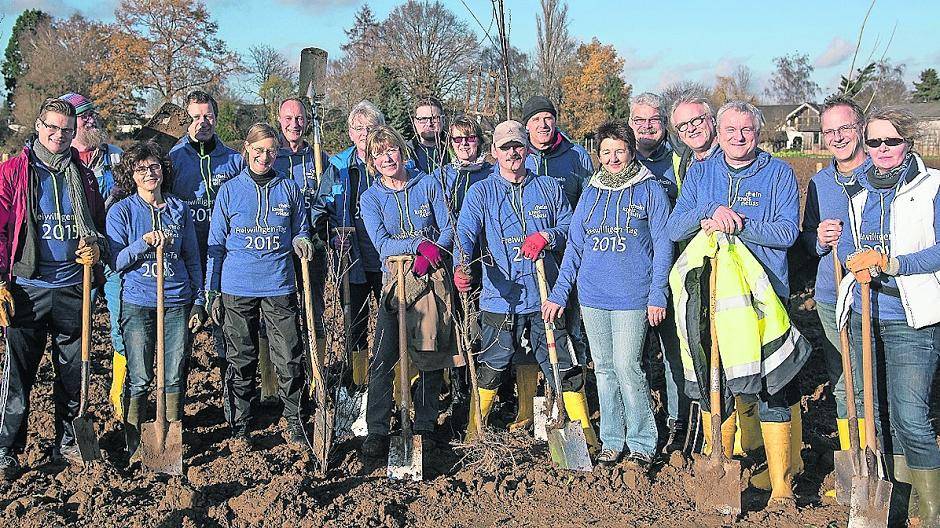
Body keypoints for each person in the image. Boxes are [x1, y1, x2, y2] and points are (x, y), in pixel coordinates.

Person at [666, 100, 805, 504]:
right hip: (714, 297)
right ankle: (723, 463)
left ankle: (782, 483)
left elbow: (785, 234)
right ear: (718, 132)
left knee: (773, 384)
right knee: (718, 381)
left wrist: (739, 224)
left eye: (746, 131)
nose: (738, 138)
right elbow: (676, 225)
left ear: (758, 133)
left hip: (765, 295)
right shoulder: (701, 172)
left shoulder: (778, 173)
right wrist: (710, 210)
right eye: (730, 131)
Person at [454, 120, 597, 449]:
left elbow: (569, 229)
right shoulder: (482, 192)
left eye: (518, 145)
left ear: (528, 148)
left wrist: (547, 236)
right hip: (500, 298)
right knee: (492, 365)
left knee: (562, 364)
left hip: (546, 298)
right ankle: (476, 432)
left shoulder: (548, 187)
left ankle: (583, 433)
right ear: (494, 153)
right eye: (505, 147)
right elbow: (465, 235)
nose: (513, 152)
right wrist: (462, 266)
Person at [542, 121, 672, 467]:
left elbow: (663, 247)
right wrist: (559, 293)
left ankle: (642, 441)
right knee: (603, 368)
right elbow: (575, 247)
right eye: (606, 152)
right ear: (597, 155)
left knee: (629, 366)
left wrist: (658, 293)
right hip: (592, 295)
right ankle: (612, 440)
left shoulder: (650, 191)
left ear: (631, 151)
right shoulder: (592, 191)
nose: (613, 158)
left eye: (620, 151)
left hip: (633, 295)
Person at [839, 107, 940, 526]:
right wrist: (852, 260)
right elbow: (848, 245)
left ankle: (931, 511)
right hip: (866, 314)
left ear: (908, 143)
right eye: (874, 142)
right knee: (878, 416)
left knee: (911, 417)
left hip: (912, 318)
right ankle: (896, 506)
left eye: (891, 141)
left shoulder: (932, 186)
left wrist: (894, 264)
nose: (882, 149)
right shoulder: (858, 193)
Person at [0, 98, 106, 478]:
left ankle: (68, 440)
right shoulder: (15, 172)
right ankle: (6, 448)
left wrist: (95, 246)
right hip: (27, 288)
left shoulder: (84, 175)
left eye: (66, 129)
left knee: (73, 372)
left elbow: (98, 227)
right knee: (18, 374)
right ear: (39, 125)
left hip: (73, 288)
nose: (59, 135)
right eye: (52, 127)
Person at [205, 123, 314, 449]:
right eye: (258, 150)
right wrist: (211, 290)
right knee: (241, 359)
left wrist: (302, 239)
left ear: (277, 153)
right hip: (237, 287)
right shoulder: (230, 191)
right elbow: (216, 244)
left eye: (271, 151)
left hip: (279, 284)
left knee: (289, 357)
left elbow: (300, 227)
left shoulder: (289, 188)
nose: (264, 157)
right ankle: (239, 426)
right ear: (246, 151)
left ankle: (295, 420)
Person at [357, 126, 455, 457]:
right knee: (384, 357)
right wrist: (418, 244)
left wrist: (435, 252)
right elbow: (383, 244)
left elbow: (447, 230)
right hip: (396, 284)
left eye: (391, 151)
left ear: (401, 151)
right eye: (378, 154)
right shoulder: (370, 199)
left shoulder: (427, 184)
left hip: (430, 282)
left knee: (429, 354)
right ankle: (378, 428)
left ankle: (424, 425)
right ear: (371, 161)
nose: (386, 158)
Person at [106, 141, 204, 458]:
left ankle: (167, 442)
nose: (150, 173)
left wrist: (198, 299)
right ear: (131, 175)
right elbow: (115, 261)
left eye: (155, 167)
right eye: (142, 169)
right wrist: (142, 244)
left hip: (175, 300)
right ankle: (134, 445)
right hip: (138, 301)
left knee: (173, 371)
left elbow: (192, 258)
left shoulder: (179, 209)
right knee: (140, 375)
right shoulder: (121, 212)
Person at [799, 95, 870, 462]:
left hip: (879, 296)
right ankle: (853, 460)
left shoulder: (882, 174)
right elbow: (807, 240)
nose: (838, 137)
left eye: (844, 128)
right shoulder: (821, 182)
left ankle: (884, 458)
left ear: (860, 128)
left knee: (878, 383)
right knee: (844, 383)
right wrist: (819, 239)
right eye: (830, 131)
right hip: (831, 297)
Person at [522, 95, 594, 428]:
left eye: (547, 118)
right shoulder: (521, 158)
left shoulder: (577, 157)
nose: (542, 125)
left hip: (571, 258)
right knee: (538, 334)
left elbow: (590, 205)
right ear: (526, 126)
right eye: (535, 120)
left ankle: (573, 401)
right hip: (532, 266)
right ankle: (544, 401)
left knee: (569, 332)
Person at [59, 92, 128, 420]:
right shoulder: (63, 163)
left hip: (114, 259)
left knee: (121, 325)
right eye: (83, 115)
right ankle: (74, 398)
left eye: (91, 113)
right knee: (76, 329)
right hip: (79, 261)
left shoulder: (117, 158)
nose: (91, 119)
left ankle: (120, 395)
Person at [630, 92, 689, 451]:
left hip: (673, 272)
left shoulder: (680, 163)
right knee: (633, 354)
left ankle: (677, 420)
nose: (646, 127)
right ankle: (641, 420)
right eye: (639, 121)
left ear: (664, 123)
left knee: (673, 351)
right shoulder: (619, 160)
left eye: (653, 120)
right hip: (632, 274)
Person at [169, 90, 243, 368]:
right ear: (186, 121)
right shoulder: (172, 160)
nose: (203, 122)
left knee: (227, 326)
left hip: (226, 257)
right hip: (186, 256)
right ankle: (177, 395)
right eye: (196, 117)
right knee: (183, 331)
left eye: (208, 116)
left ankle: (231, 393)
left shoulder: (234, 161)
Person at [315, 100, 386, 390]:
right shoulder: (338, 167)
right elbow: (321, 208)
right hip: (352, 258)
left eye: (371, 128)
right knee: (354, 322)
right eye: (359, 128)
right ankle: (359, 382)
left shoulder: (390, 162)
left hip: (387, 259)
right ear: (350, 132)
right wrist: (331, 234)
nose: (365, 134)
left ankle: (390, 380)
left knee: (393, 321)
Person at [272, 97, 329, 399]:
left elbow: (328, 197)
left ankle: (317, 374)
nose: (294, 124)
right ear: (279, 119)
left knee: (314, 308)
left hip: (313, 246)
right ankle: (276, 381)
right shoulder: (271, 155)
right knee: (279, 311)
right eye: (288, 118)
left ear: (307, 121)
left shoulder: (318, 156)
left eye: (300, 118)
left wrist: (316, 225)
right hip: (277, 247)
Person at [409, 97, 449, 175]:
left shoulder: (456, 150)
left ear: (443, 120)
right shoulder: (405, 153)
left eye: (434, 118)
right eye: (423, 119)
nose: (429, 124)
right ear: (415, 122)